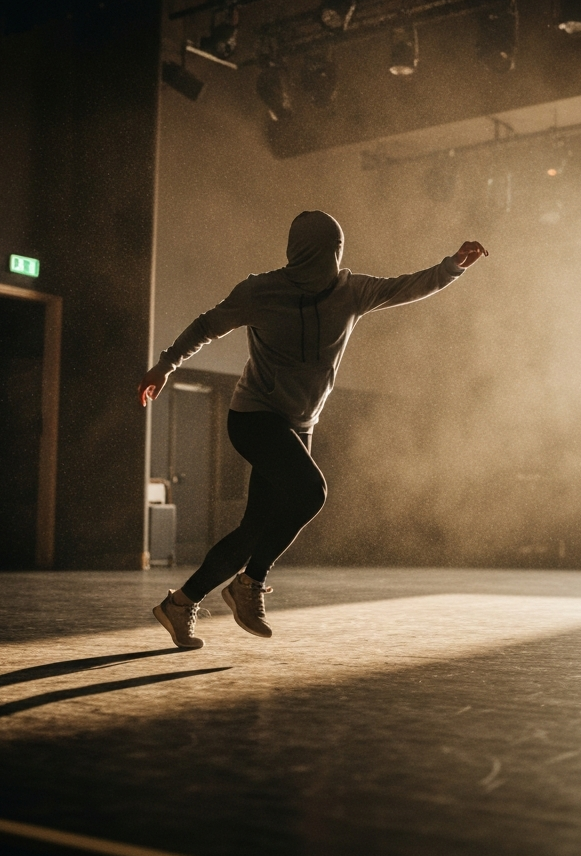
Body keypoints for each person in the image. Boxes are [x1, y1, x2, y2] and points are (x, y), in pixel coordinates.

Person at [138, 210, 488, 649]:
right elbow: (207, 326)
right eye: (329, 252)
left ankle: (180, 603)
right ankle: (248, 585)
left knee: (252, 530)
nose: (335, 261)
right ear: (304, 253)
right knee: (311, 492)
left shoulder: (352, 290)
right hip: (254, 416)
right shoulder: (260, 291)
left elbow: (406, 287)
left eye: (338, 252)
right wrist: (164, 365)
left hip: (299, 424)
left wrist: (452, 266)